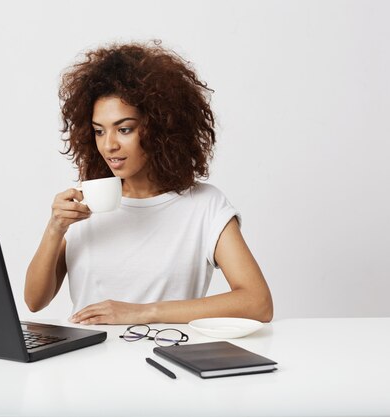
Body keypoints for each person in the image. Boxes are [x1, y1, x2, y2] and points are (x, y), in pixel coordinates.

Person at [25, 41, 273, 325]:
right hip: (86, 361)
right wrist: (55, 228)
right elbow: (35, 301)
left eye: (124, 129)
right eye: (99, 131)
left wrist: (143, 313)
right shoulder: (85, 201)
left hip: (166, 358)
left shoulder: (204, 206)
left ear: (160, 126)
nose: (109, 145)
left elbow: (258, 302)